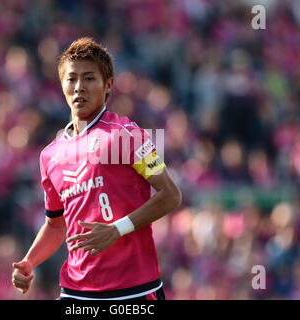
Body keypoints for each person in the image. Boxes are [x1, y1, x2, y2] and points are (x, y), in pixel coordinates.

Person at [12, 37, 182, 300]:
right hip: (76, 292)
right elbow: (56, 226)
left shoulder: (125, 135)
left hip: (134, 290)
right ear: (62, 85)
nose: (79, 87)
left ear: (108, 85)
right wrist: (29, 261)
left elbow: (170, 195)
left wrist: (117, 229)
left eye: (89, 78)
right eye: (72, 79)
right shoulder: (50, 155)